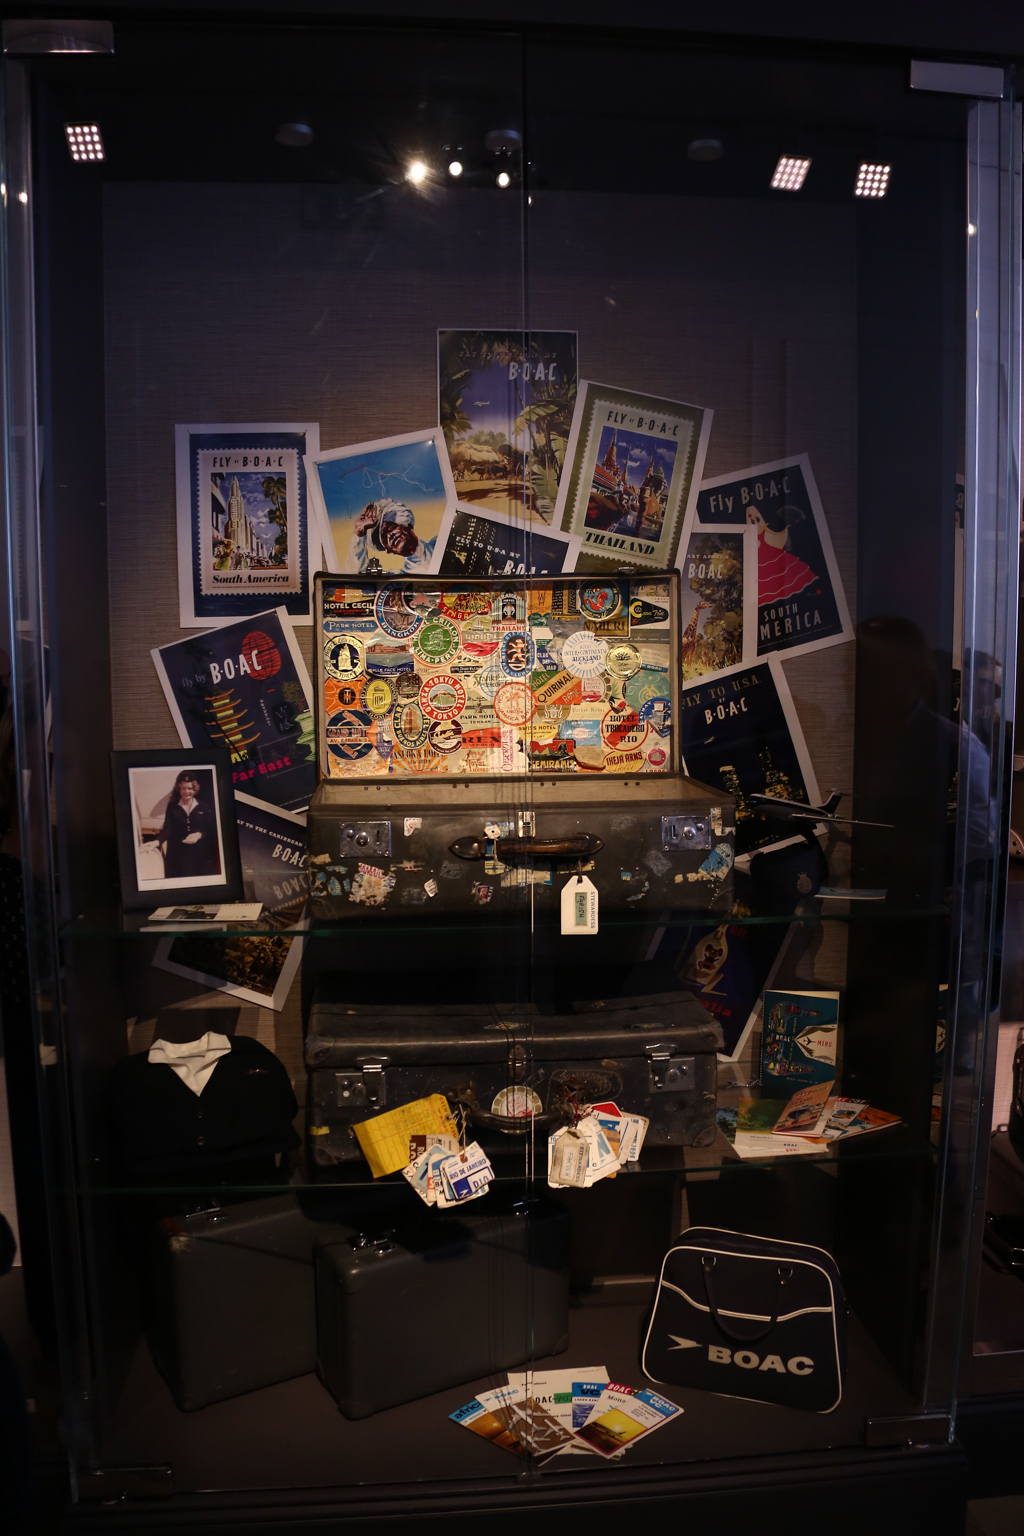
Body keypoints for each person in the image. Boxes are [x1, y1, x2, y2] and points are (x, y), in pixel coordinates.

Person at [157, 771, 220, 878]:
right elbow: (168, 828)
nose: (186, 792)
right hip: (178, 856)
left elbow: (211, 830)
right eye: (183, 789)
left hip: (199, 856)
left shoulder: (203, 806)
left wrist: (199, 835)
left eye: (189, 788)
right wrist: (157, 841)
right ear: (179, 789)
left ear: (195, 789)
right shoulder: (172, 807)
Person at [347, 498, 435, 573]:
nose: (389, 535)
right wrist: (359, 534)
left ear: (407, 525)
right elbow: (357, 575)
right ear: (389, 551)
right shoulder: (401, 578)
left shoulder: (439, 543)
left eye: (390, 527)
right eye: (384, 538)